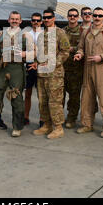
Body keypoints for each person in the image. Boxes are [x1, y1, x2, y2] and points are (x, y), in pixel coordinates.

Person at [0, 11, 34, 137]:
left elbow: (34, 52)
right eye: (12, 19)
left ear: (20, 21)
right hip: (1, 69)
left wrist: (24, 54)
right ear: (8, 20)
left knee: (16, 98)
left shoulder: (26, 35)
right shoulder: (0, 34)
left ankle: (17, 127)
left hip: (16, 69)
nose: (14, 21)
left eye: (17, 19)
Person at [74, 7, 103, 137]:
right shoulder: (86, 32)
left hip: (102, 69)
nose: (97, 18)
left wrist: (102, 57)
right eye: (95, 15)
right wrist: (79, 54)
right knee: (87, 99)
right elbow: (81, 47)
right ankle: (87, 125)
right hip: (88, 68)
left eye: (100, 16)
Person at [32, 9, 70, 139]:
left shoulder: (60, 33)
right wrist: (36, 62)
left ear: (53, 18)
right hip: (42, 74)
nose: (46, 20)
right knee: (43, 101)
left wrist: (53, 63)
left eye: (49, 17)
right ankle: (47, 125)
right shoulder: (42, 34)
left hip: (55, 74)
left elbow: (65, 52)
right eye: (45, 18)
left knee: (55, 101)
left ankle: (58, 127)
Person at [62, 8, 84, 128]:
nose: (72, 17)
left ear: (78, 17)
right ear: (67, 16)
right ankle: (59, 118)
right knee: (60, 96)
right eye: (70, 15)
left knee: (74, 97)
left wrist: (73, 49)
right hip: (63, 68)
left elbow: (84, 47)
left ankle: (71, 118)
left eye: (75, 16)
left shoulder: (83, 31)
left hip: (76, 70)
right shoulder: (62, 31)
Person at [24, 13, 43, 126]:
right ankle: (26, 117)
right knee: (28, 93)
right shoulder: (26, 35)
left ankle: (42, 118)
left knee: (41, 94)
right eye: (33, 20)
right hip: (29, 65)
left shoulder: (45, 34)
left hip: (41, 65)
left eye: (38, 20)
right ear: (31, 21)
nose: (36, 22)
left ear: (41, 22)